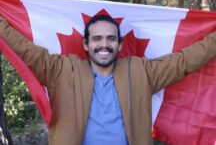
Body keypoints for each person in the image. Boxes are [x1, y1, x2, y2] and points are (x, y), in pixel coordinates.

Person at [0, 14, 216, 145]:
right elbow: (23, 49)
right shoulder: (60, 69)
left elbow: (185, 61)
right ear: (86, 44)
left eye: (111, 39)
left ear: (120, 45)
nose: (104, 45)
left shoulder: (142, 71)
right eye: (97, 39)